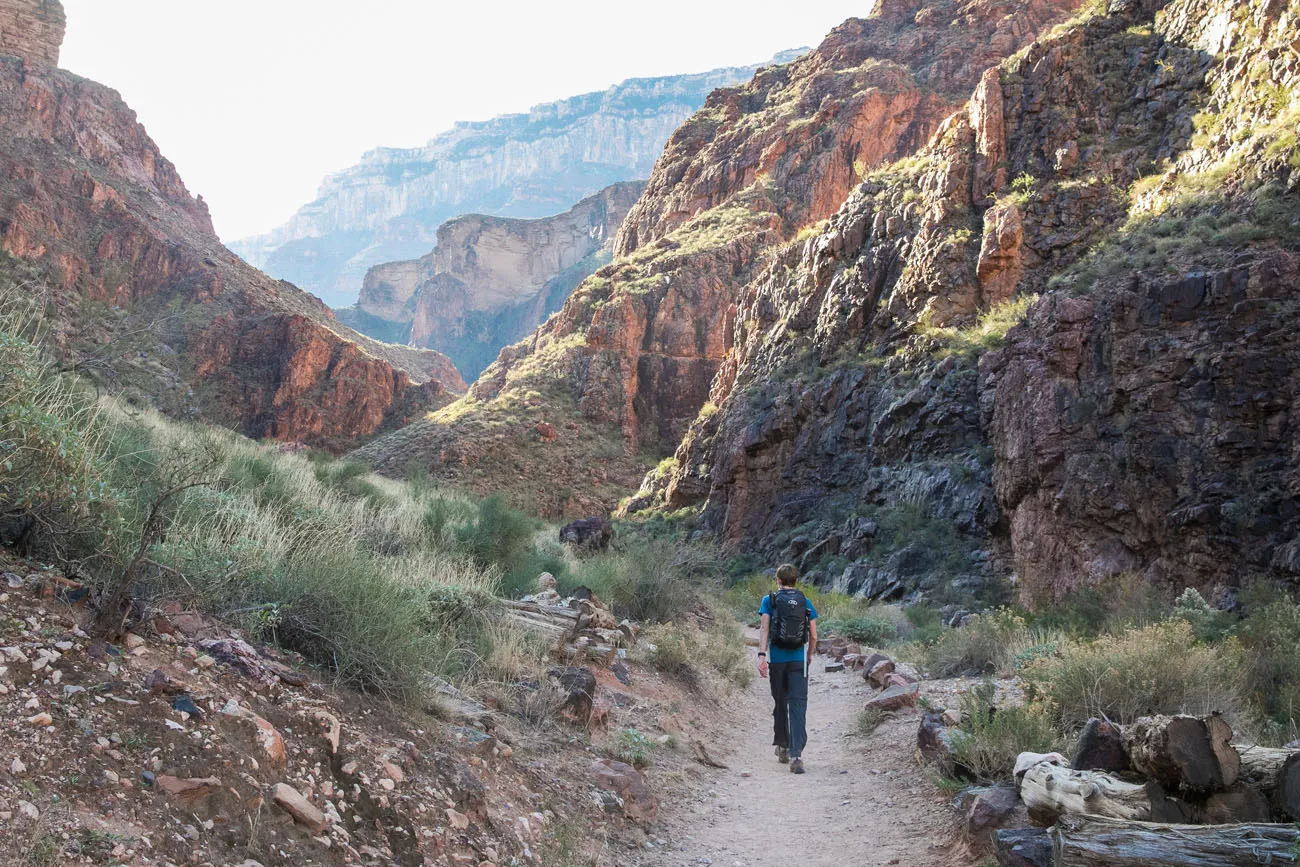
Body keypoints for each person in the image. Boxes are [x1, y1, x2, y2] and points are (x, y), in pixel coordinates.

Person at [756, 563, 818, 774]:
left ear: (778, 581)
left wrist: (762, 656)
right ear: (796, 581)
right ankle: (797, 755)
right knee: (798, 705)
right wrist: (809, 655)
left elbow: (764, 629)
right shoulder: (805, 601)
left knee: (780, 702)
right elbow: (814, 635)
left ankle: (782, 746)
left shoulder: (769, 601)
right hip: (799, 662)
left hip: (778, 660)